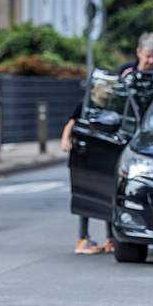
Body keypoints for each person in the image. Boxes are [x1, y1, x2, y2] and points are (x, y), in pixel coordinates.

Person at [60, 80, 116, 254]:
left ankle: (110, 238)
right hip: (84, 157)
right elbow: (71, 123)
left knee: (108, 197)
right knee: (85, 196)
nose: (106, 94)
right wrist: (65, 140)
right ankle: (83, 238)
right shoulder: (85, 106)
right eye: (104, 91)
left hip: (104, 158)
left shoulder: (111, 109)